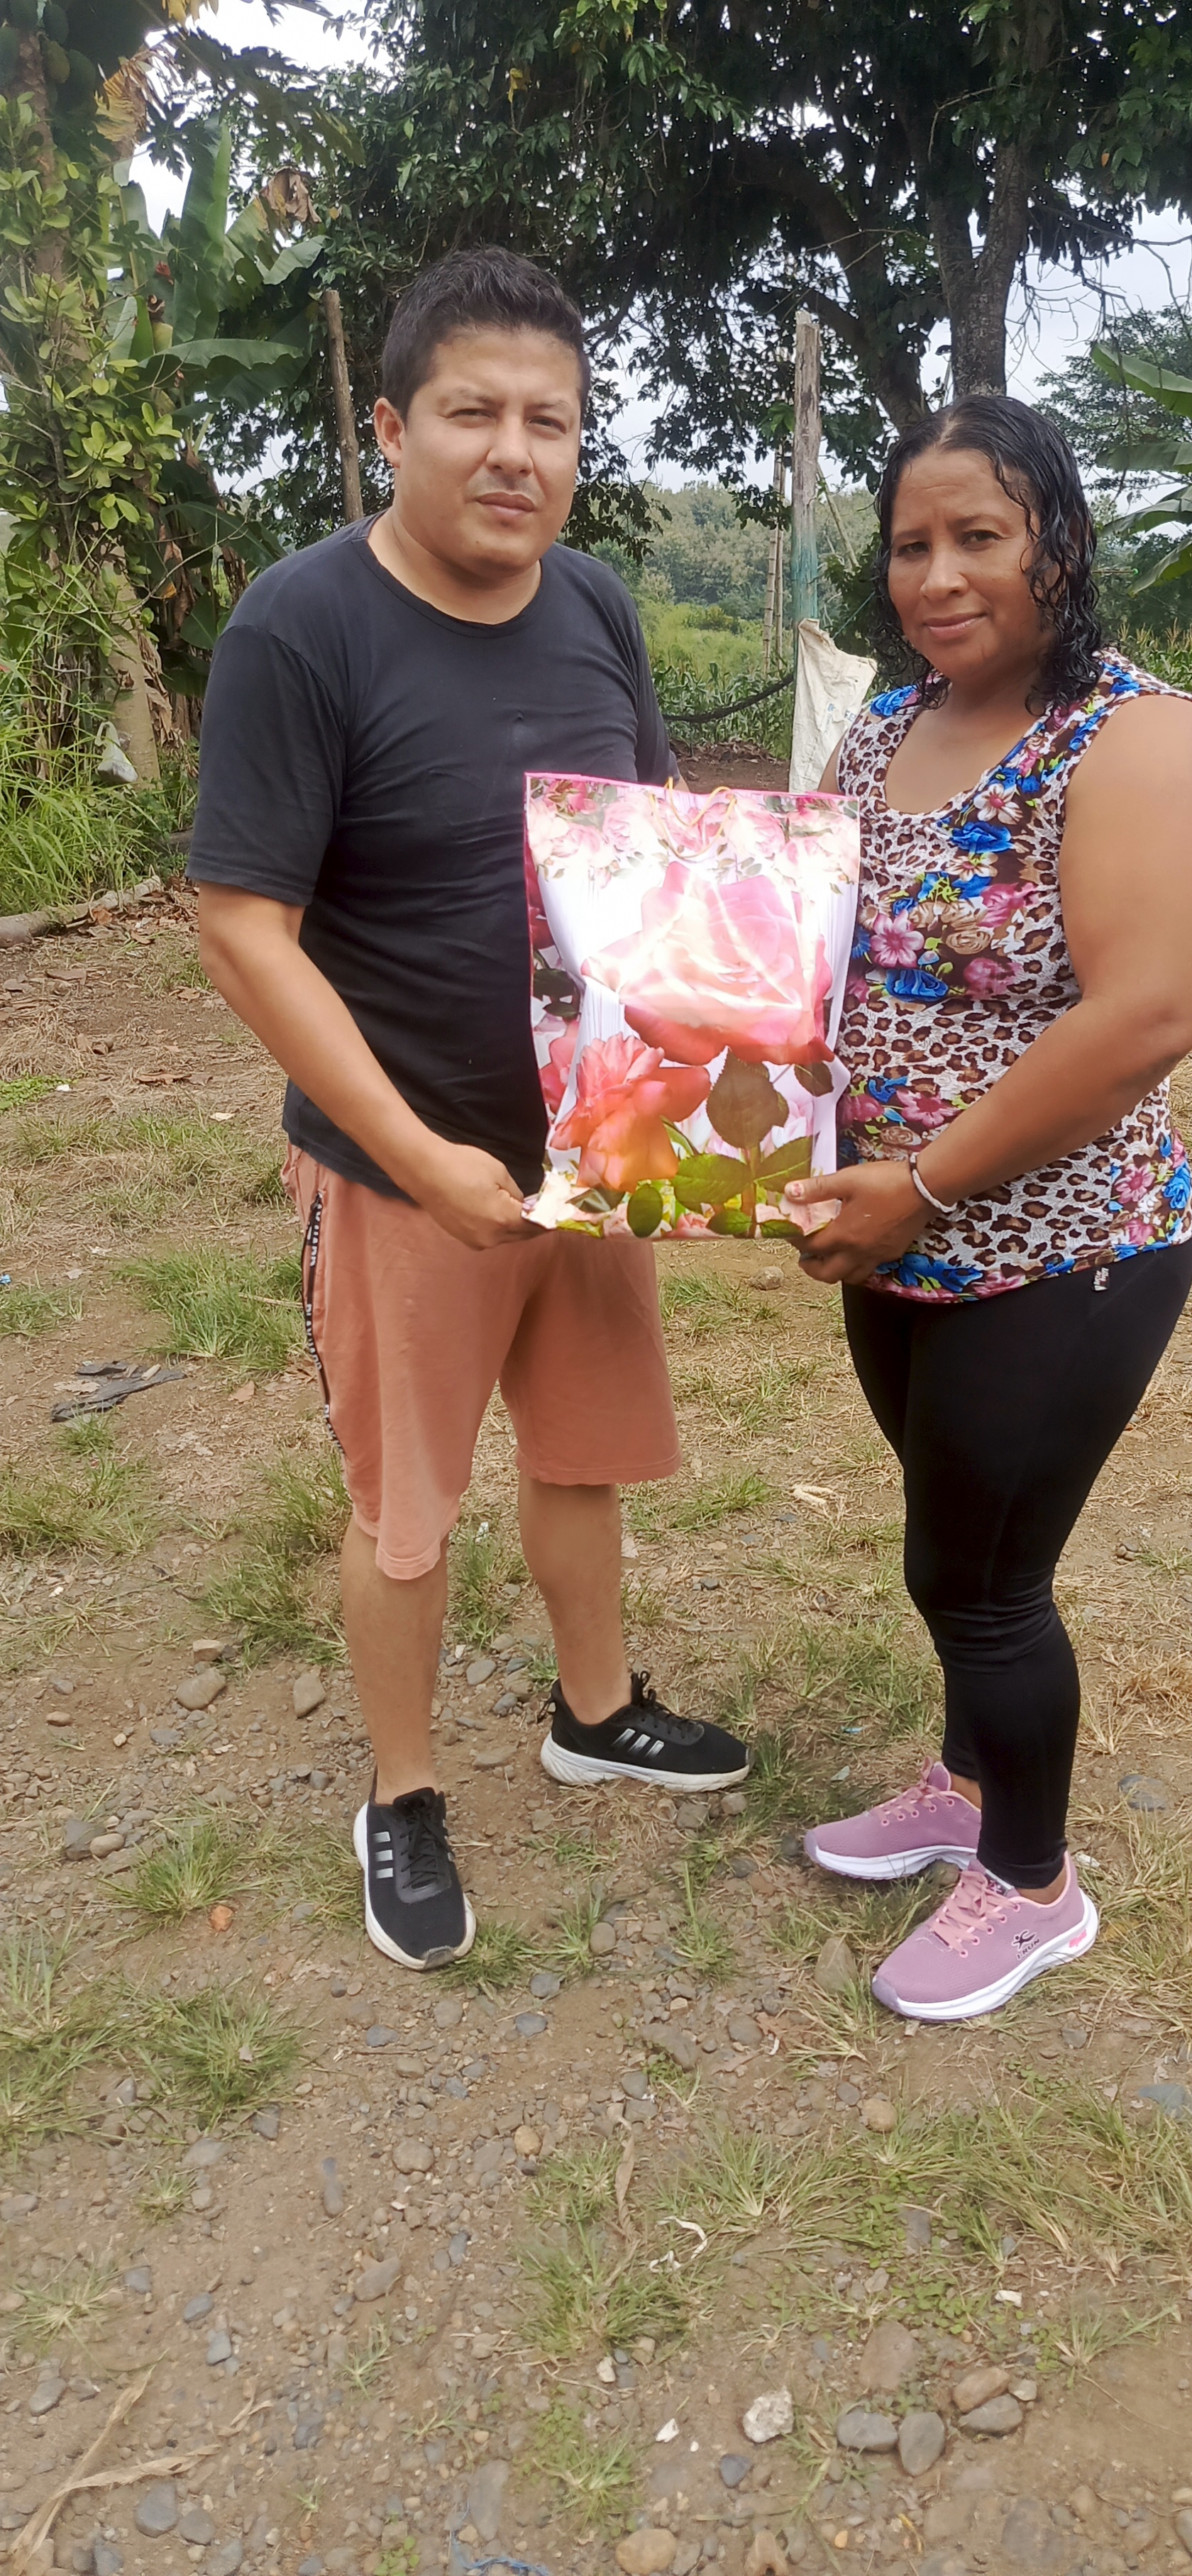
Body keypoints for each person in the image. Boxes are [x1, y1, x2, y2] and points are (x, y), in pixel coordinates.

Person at [189, 249, 747, 1977]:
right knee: (405, 1508)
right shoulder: (301, 627)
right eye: (473, 413)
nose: (515, 452)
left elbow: (653, 845)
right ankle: (405, 1790)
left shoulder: (596, 605)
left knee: (584, 1453)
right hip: (400, 1166)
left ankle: (597, 1709)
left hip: (595, 1144)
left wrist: (718, 1095)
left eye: (550, 422)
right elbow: (243, 925)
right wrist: (416, 1155)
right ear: (390, 429)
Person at [788, 395, 1192, 2023]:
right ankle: (967, 1787)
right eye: (911, 542)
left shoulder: (1144, 743)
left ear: (1059, 541)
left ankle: (1036, 1883)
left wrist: (921, 1184)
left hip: (1063, 1249)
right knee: (951, 1539)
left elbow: (1145, 1017)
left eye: (979, 535)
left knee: (983, 1578)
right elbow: (797, 943)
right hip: (894, 1237)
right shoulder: (884, 730)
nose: (938, 575)